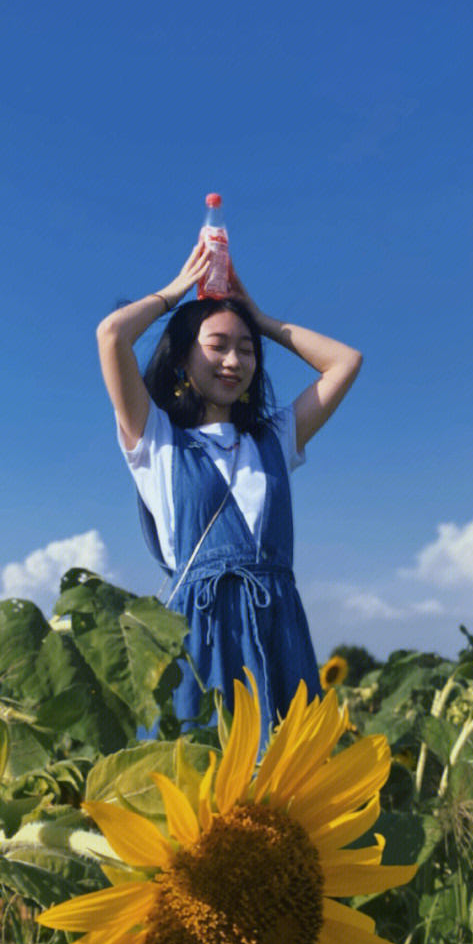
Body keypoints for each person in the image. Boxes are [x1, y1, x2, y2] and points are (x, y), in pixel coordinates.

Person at [96, 240, 362, 739]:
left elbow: (345, 361)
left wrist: (257, 318)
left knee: (288, 788)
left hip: (279, 628)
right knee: (201, 781)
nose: (234, 361)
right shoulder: (156, 441)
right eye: (216, 345)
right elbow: (111, 335)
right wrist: (176, 293)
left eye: (246, 350)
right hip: (202, 637)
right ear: (181, 359)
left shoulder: (273, 439)